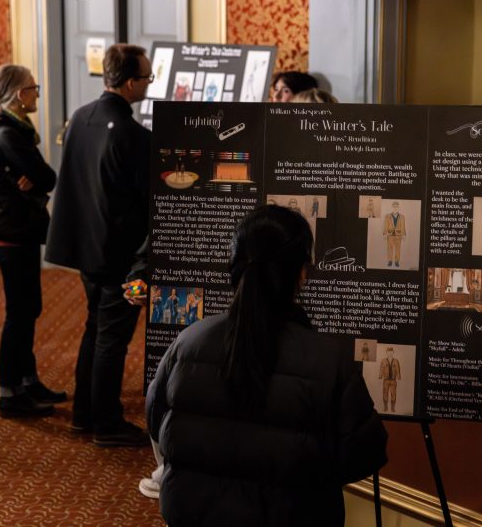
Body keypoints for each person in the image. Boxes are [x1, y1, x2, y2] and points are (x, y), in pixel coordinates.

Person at [146, 205, 388, 526]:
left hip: (193, 512)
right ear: (301, 272)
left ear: (235, 264)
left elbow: (157, 420)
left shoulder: (189, 341)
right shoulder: (327, 359)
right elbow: (364, 452)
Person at [45, 43, 151, 447]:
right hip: (118, 255)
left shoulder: (81, 116)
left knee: (95, 329)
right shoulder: (131, 134)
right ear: (128, 83)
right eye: (146, 78)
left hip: (83, 246)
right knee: (112, 338)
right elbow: (144, 200)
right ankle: (106, 423)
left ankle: (83, 414)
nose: (148, 83)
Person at [0, 64, 65, 418]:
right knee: (20, 313)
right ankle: (9, 393)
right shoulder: (10, 136)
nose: (38, 94)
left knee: (29, 309)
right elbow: (48, 177)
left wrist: (33, 179)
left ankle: (28, 381)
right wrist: (34, 179)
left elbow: (39, 179)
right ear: (20, 95)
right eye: (34, 88)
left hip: (16, 229)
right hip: (12, 233)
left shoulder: (15, 130)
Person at [383, 201, 406, 267]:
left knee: (398, 249)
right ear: (392, 207)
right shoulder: (387, 216)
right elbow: (385, 225)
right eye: (394, 206)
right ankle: (390, 261)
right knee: (389, 248)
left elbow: (403, 226)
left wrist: (403, 234)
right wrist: (385, 233)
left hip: (398, 235)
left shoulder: (402, 217)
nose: (395, 208)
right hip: (390, 235)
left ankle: (397, 262)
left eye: (396, 206)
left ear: (398, 207)